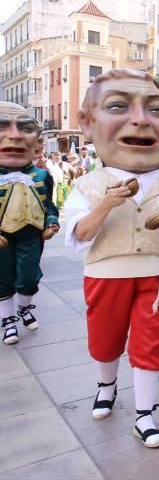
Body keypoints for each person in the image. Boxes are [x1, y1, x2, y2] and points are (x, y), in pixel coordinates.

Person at [64, 69, 159, 448]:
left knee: (150, 343)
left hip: (156, 275)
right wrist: (106, 203)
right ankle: (106, 386)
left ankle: (145, 414)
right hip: (106, 274)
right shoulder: (88, 185)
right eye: (119, 106)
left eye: (156, 111)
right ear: (88, 124)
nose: (140, 120)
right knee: (105, 339)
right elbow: (80, 234)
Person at [0, 102, 60, 346]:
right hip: (3, 238)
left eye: (25, 128)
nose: (15, 135)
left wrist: (52, 223)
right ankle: (7, 321)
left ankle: (24, 309)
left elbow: (49, 205)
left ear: (37, 144)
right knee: (2, 279)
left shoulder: (42, 175)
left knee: (28, 277)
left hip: (32, 236)